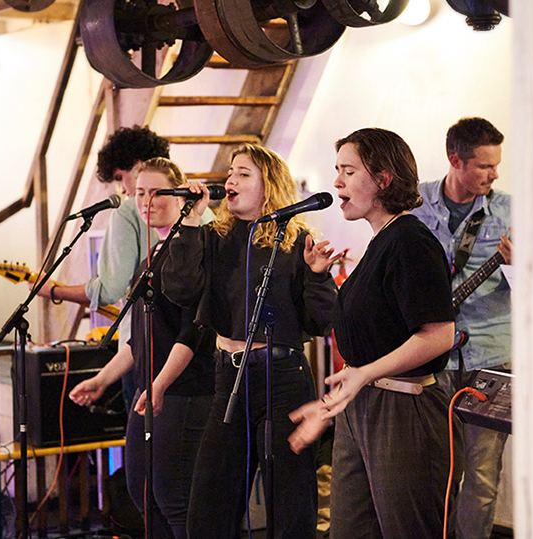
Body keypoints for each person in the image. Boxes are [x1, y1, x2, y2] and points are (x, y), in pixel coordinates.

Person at [288, 128, 460, 538]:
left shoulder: (410, 242)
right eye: (337, 170)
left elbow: (439, 335)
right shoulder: (382, 243)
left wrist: (363, 375)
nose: (337, 183)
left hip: (404, 408)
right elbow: (362, 334)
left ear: (383, 179)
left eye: (348, 171)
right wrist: (333, 403)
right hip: (363, 406)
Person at [161, 143, 339, 539]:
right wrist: (189, 222)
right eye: (230, 172)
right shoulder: (212, 235)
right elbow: (181, 290)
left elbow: (321, 321)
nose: (231, 180)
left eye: (243, 173)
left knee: (290, 502)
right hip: (228, 377)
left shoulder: (297, 240)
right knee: (210, 501)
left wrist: (319, 276)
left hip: (282, 377)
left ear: (268, 184)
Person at [68, 158, 215, 539]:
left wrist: (161, 385)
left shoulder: (195, 249)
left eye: (156, 192)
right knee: (143, 496)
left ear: (181, 195)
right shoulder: (151, 257)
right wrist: (102, 380)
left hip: (181, 392)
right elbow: (140, 338)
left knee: (174, 500)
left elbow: (193, 332)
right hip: (147, 388)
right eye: (139, 193)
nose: (146, 201)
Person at [36, 125, 213, 408]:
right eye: (140, 191)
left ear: (138, 166)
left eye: (121, 177)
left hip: (166, 363)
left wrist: (54, 290)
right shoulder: (199, 219)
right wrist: (103, 378)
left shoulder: (131, 212)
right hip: (178, 357)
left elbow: (112, 287)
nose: (130, 193)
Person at [410, 117, 512, 539]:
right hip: (431, 354)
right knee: (436, 470)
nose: (494, 174)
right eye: (485, 166)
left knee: (483, 475)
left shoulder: (511, 211)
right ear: (456, 160)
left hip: (492, 356)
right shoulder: (414, 204)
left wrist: (526, 265)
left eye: (496, 165)